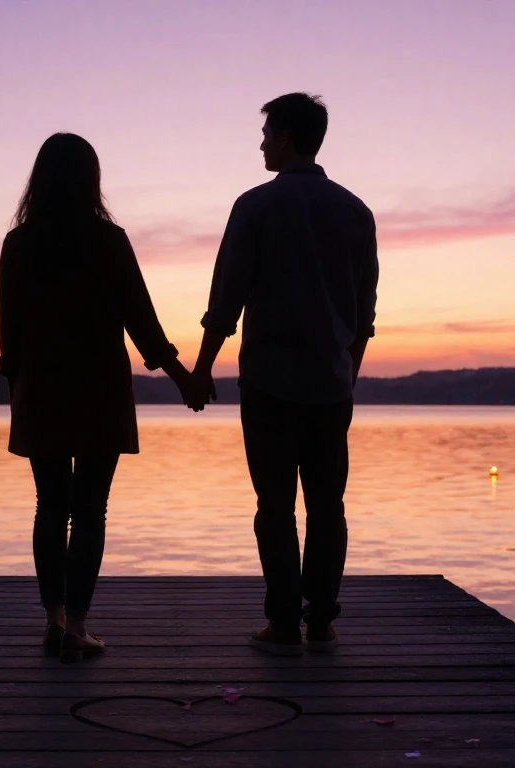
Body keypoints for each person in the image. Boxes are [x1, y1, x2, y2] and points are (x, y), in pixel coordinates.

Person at [184, 93, 379, 656]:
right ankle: (321, 623)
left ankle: (284, 624)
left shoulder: (255, 206)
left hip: (269, 384)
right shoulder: (355, 212)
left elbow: (226, 301)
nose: (262, 144)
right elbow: (363, 312)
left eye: (267, 133)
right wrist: (347, 375)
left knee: (275, 507)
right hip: (331, 387)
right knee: (327, 507)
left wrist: (201, 370)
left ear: (287, 137)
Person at [0, 133, 190, 662]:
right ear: (92, 180)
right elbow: (142, 322)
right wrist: (183, 378)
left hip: (40, 390)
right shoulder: (108, 240)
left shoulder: (19, 244)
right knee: (89, 510)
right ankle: (78, 627)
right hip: (99, 390)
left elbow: (9, 335)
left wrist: (19, 393)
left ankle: (54, 620)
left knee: (49, 505)